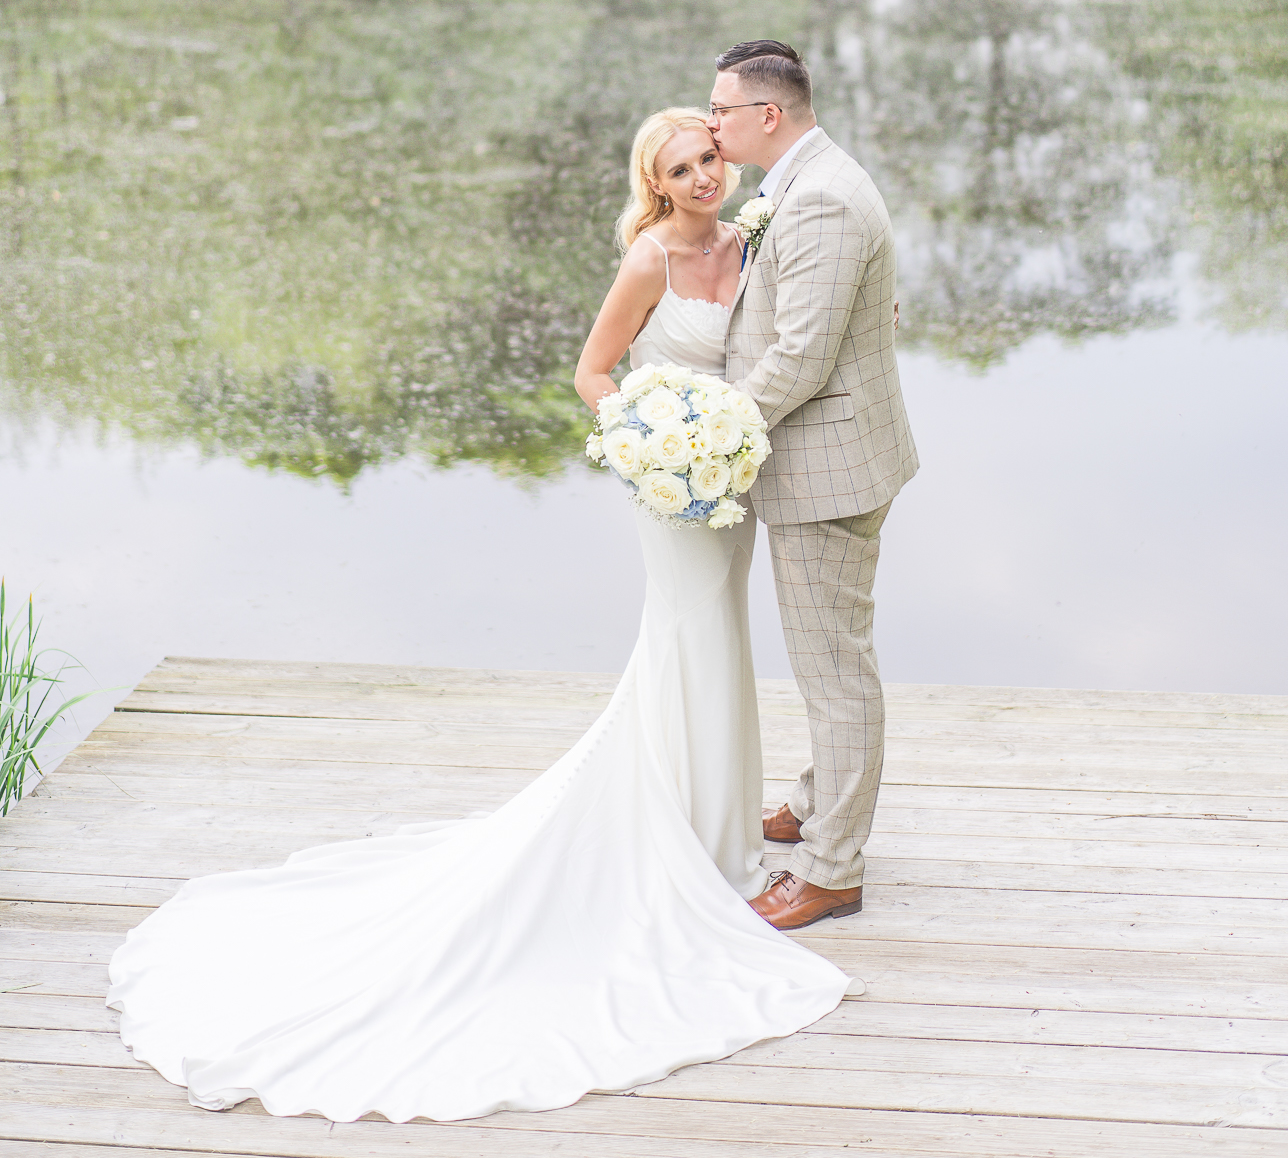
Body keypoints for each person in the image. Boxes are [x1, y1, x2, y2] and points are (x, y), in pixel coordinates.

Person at [106, 107, 849, 1125]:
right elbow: (595, 370)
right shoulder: (648, 259)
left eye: (710, 154)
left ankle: (717, 831)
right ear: (658, 183)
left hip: (727, 485)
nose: (705, 174)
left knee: (724, 640)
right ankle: (692, 843)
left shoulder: (751, 236)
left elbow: (798, 324)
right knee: (688, 639)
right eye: (683, 167)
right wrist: (645, 435)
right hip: (671, 486)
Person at [708, 40, 917, 933]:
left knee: (834, 673)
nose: (710, 123)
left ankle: (832, 868)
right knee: (830, 659)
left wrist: (710, 435)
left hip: (824, 471)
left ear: (768, 115)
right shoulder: (799, 181)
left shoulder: (822, 197)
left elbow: (800, 356)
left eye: (720, 110)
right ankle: (814, 798)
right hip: (834, 451)